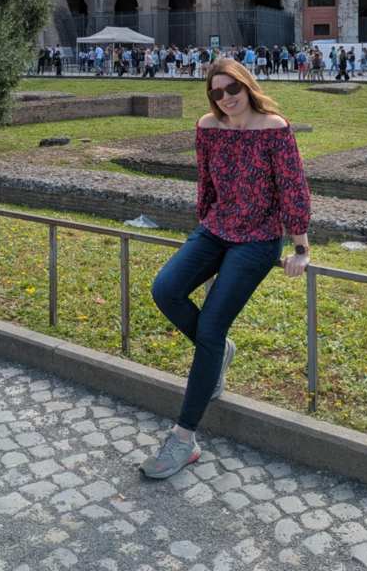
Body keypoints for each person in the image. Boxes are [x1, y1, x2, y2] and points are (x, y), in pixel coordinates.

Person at [141, 58, 311, 480]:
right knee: (165, 289)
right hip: (216, 228)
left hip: (257, 238)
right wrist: (203, 228)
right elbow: (206, 181)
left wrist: (301, 247)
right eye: (216, 92)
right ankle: (217, 358)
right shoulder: (208, 128)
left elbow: (293, 186)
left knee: (211, 330)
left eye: (231, 89)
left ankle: (184, 439)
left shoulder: (274, 128)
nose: (225, 98)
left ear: (246, 86)